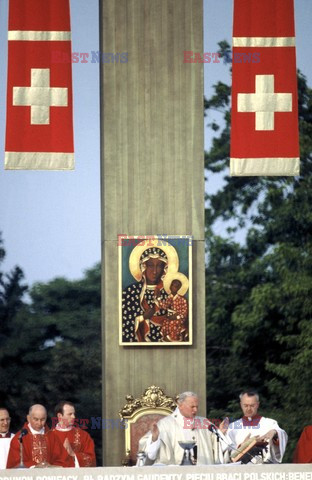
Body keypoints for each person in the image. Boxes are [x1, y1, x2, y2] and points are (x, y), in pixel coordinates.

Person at [139, 391, 227, 465]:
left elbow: (218, 447)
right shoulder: (164, 425)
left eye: (197, 406)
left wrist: (220, 434)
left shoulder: (205, 423)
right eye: (192, 407)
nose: (195, 410)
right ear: (180, 405)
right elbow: (146, 454)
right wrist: (154, 439)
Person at [122, 240, 179, 342]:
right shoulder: (131, 292)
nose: (155, 271)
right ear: (143, 267)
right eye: (151, 265)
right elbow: (124, 322)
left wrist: (173, 316)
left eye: (159, 266)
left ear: (164, 269)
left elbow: (178, 317)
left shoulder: (168, 293)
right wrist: (142, 317)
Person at [224, 391, 288, 463]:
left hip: (266, 467)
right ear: (241, 405)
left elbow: (282, 435)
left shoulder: (269, 423)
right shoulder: (233, 427)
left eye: (252, 405)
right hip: (240, 469)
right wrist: (242, 446)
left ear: (257, 405)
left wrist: (275, 433)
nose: (248, 409)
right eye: (245, 405)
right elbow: (227, 453)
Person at [6, 404, 69, 468]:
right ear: (28, 418)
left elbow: (63, 460)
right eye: (36, 419)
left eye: (42, 419)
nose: (39, 423)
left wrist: (51, 466)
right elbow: (15, 464)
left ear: (46, 417)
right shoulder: (19, 438)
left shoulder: (52, 436)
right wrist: (34, 466)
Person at [52, 400, 96, 467]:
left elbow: (91, 460)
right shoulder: (48, 437)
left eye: (74, 414)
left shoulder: (83, 435)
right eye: (70, 414)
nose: (73, 417)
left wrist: (73, 454)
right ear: (60, 416)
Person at [155, 272, 189, 342]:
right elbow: (164, 306)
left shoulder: (182, 299)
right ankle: (166, 337)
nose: (172, 287)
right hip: (170, 317)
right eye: (172, 285)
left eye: (175, 286)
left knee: (173, 323)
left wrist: (176, 317)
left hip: (178, 318)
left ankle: (174, 339)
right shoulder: (169, 297)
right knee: (165, 321)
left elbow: (184, 313)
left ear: (178, 288)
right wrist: (158, 298)